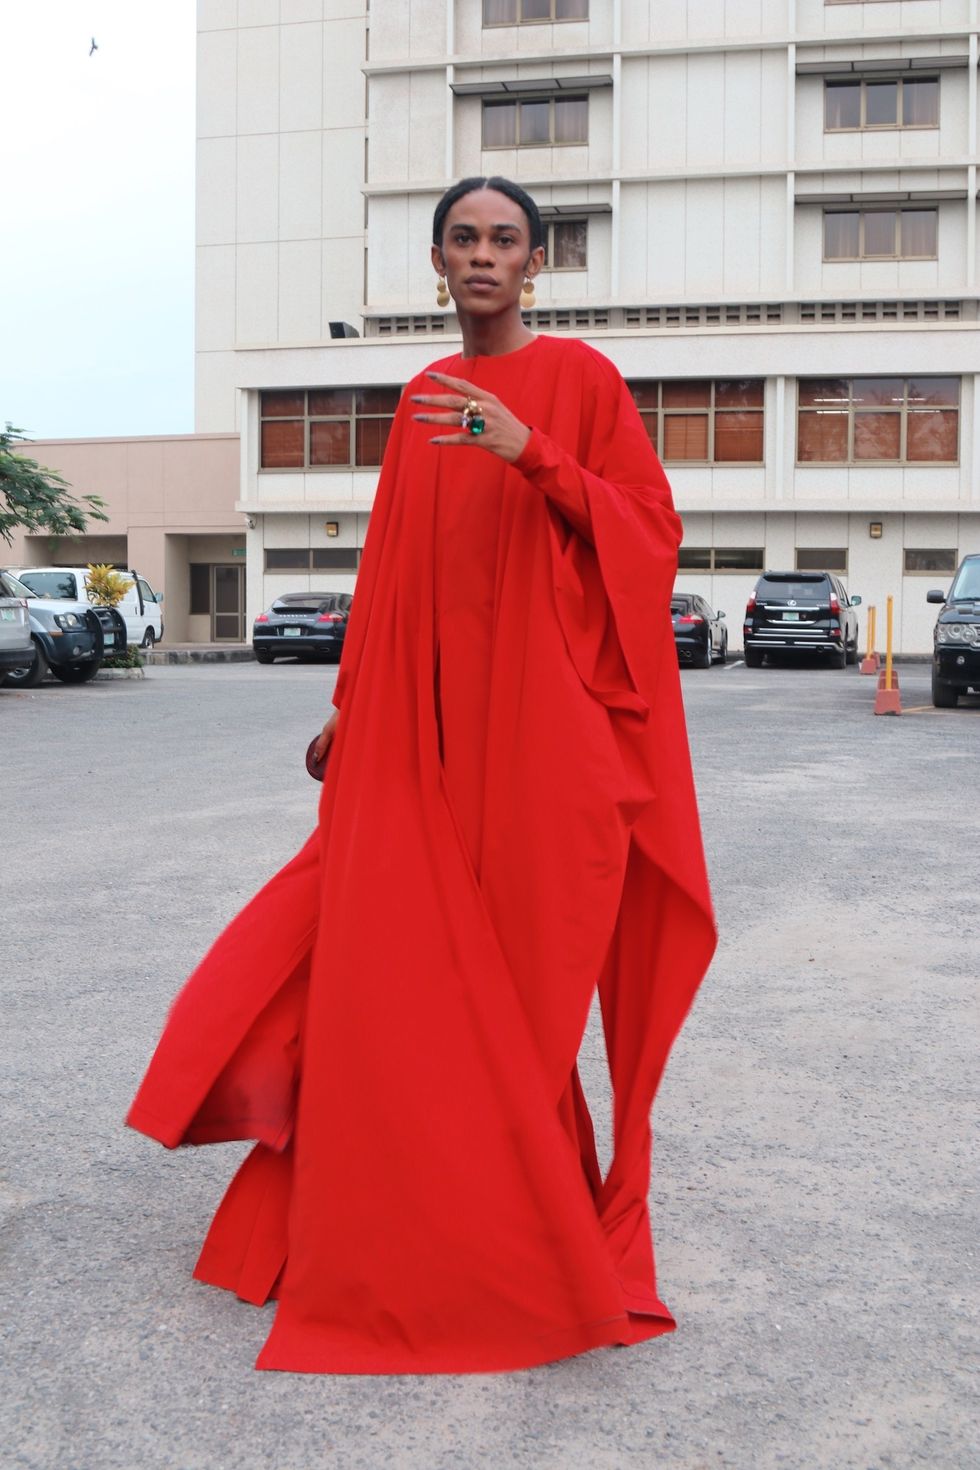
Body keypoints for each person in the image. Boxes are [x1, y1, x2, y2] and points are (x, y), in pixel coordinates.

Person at [128, 176, 716, 1375]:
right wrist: (351, 709)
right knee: (394, 966)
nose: (483, 256)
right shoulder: (417, 402)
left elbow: (647, 539)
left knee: (522, 980)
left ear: (535, 264)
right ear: (436, 261)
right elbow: (395, 575)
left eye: (505, 240)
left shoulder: (580, 384)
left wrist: (535, 455)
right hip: (430, 738)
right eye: (464, 239)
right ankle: (412, 1219)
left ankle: (519, 1230)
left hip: (543, 742)